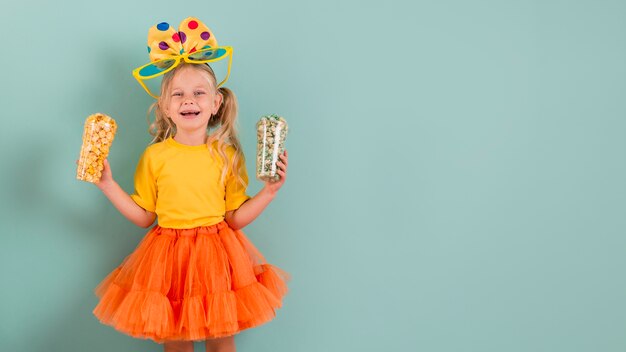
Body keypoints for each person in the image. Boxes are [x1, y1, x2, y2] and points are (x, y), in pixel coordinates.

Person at [91, 17, 289, 352]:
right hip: (168, 261)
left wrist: (269, 191)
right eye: (178, 95)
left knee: (221, 338)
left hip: (218, 257)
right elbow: (144, 217)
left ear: (216, 104)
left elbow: (235, 218)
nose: (189, 101)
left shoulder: (226, 155)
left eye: (199, 93)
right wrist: (107, 184)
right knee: (176, 339)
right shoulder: (155, 157)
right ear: (166, 108)